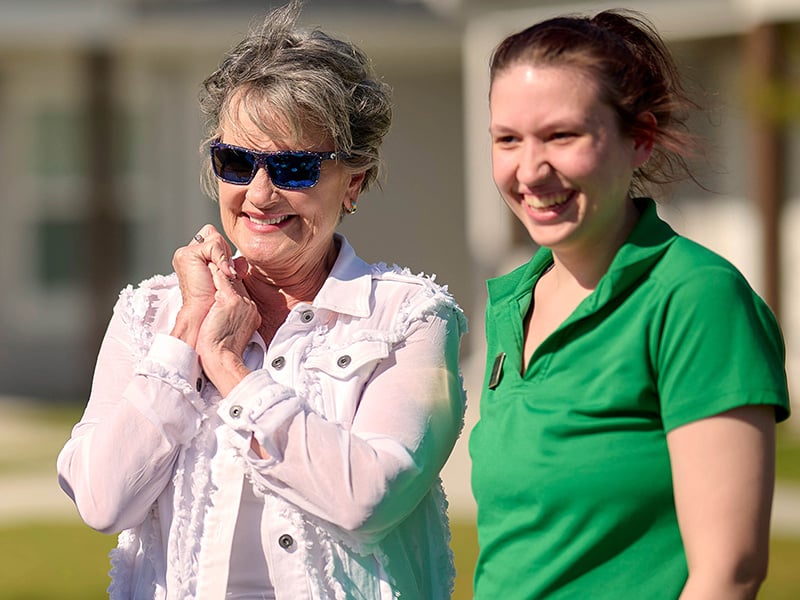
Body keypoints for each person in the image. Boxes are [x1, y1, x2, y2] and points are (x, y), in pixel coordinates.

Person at [57, 2, 467, 598]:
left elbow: (369, 499)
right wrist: (186, 335)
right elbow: (101, 501)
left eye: (294, 168)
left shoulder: (410, 318)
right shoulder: (151, 314)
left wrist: (229, 368)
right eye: (236, 162)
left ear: (353, 182)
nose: (259, 193)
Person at [469, 9, 791, 600]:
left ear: (639, 138)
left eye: (561, 136)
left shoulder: (695, 297)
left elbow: (729, 573)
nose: (530, 171)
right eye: (508, 139)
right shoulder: (513, 302)